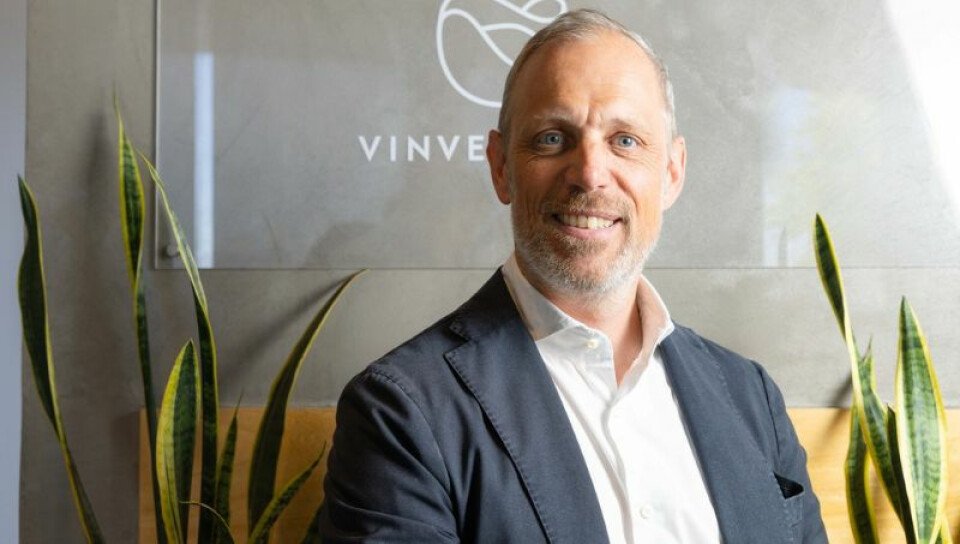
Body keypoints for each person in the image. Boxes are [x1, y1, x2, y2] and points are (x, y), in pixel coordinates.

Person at [320, 8, 826, 543]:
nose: (589, 173)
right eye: (551, 138)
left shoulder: (752, 398)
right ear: (500, 168)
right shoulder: (402, 412)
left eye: (625, 140)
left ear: (672, 173)